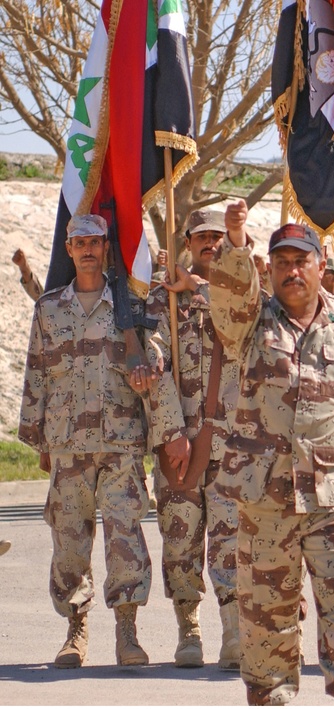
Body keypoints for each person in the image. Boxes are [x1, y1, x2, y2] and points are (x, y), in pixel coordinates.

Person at [209, 201, 334, 706]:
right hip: (266, 499)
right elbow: (228, 296)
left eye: (300, 260)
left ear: (320, 264)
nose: (291, 270)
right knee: (266, 619)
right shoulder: (249, 322)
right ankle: (273, 695)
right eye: (280, 262)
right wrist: (238, 242)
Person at [19, 214, 153, 669]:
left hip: (121, 441)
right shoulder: (50, 307)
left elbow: (152, 371)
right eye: (80, 242)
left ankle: (127, 630)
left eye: (96, 241)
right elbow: (37, 372)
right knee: (69, 539)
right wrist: (38, 440)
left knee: (125, 536)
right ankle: (76, 628)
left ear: (107, 246)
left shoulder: (130, 306)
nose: (89, 249)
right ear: (69, 250)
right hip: (67, 442)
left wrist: (162, 433)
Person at [143, 208, 241, 669]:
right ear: (187, 242)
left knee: (231, 541)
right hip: (179, 444)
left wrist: (204, 290)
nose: (210, 244)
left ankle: (233, 631)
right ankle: (189, 628)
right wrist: (169, 432)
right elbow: (153, 360)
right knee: (180, 541)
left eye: (218, 238)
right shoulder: (166, 300)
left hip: (234, 445)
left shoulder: (243, 299)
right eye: (202, 237)